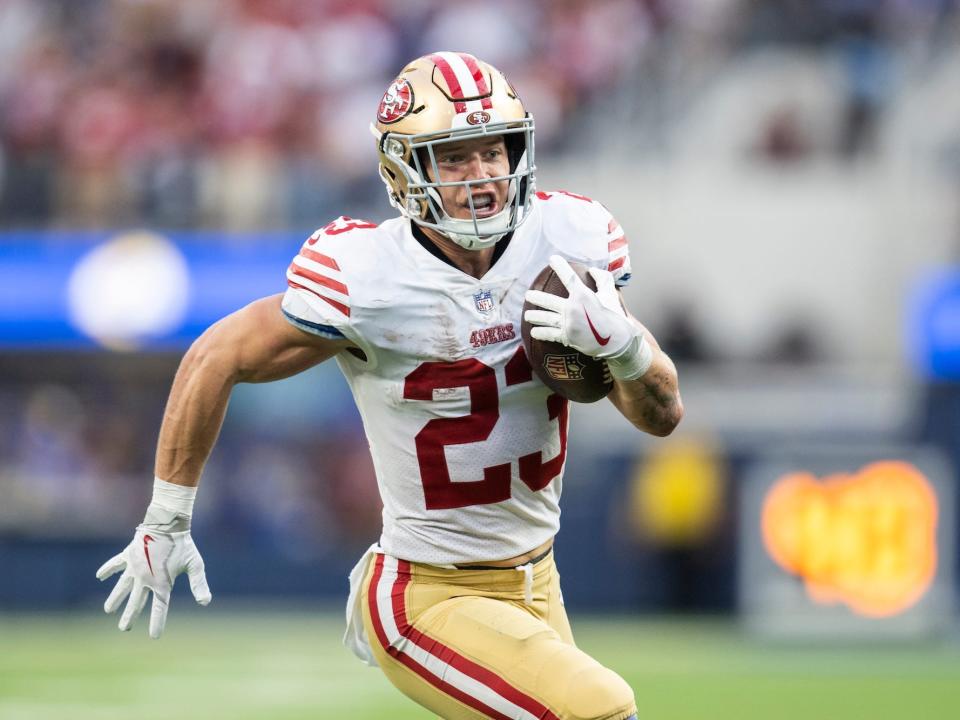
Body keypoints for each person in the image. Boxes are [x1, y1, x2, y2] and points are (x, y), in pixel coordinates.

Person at [96, 51, 683, 720]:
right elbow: (215, 355)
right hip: (426, 595)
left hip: (537, 580)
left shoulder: (569, 243)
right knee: (603, 710)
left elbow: (662, 415)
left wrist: (628, 349)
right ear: (405, 169)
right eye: (455, 157)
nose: (483, 175)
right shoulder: (368, 275)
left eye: (494, 151)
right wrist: (166, 514)